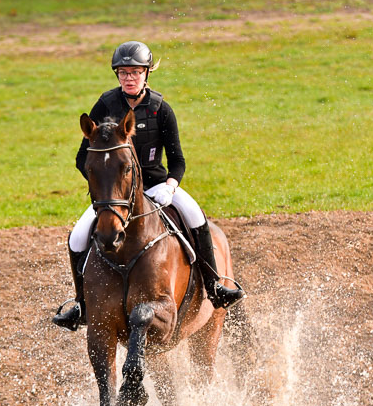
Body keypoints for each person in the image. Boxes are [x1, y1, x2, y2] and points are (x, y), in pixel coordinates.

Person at [53, 40, 244, 331]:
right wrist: (106, 188)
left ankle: (215, 286)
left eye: (135, 72)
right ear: (117, 75)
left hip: (157, 187)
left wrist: (171, 184)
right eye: (123, 73)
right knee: (78, 237)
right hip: (116, 197)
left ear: (146, 73)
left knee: (196, 217)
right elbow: (83, 158)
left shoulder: (161, 109)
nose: (129, 78)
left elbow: (178, 159)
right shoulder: (105, 104)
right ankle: (81, 305)